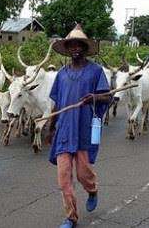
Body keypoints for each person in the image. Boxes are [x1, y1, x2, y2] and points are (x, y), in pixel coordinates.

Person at [47, 24, 111, 228]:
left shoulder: (95, 71)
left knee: (83, 174)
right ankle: (71, 217)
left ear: (84, 48)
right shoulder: (62, 74)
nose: (75, 48)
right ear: (67, 49)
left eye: (78, 45)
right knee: (64, 179)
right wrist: (51, 126)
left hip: (83, 128)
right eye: (71, 45)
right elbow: (56, 102)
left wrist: (94, 96)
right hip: (64, 129)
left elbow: (107, 96)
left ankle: (92, 189)